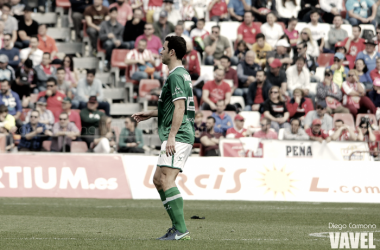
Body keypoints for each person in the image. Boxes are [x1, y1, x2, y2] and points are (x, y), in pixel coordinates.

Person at [132, 36, 194, 240]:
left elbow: (180, 107)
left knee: (166, 179)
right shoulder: (179, 75)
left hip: (179, 135)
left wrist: (172, 137)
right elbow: (172, 108)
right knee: (158, 179)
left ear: (172, 52)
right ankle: (177, 228)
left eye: (164, 48)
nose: (160, 51)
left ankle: (180, 229)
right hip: (178, 133)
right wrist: (149, 114)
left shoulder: (176, 76)